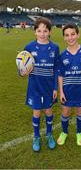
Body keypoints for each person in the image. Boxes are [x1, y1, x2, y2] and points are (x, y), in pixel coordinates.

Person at [23, 17, 59, 152]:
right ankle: (36, 136)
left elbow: (56, 68)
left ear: (50, 32)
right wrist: (24, 71)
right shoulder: (29, 47)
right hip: (35, 87)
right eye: (39, 30)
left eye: (45, 31)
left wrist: (55, 87)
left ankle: (49, 134)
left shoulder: (54, 47)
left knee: (49, 111)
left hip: (49, 87)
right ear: (35, 32)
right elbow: (23, 67)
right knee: (37, 112)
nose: (42, 33)